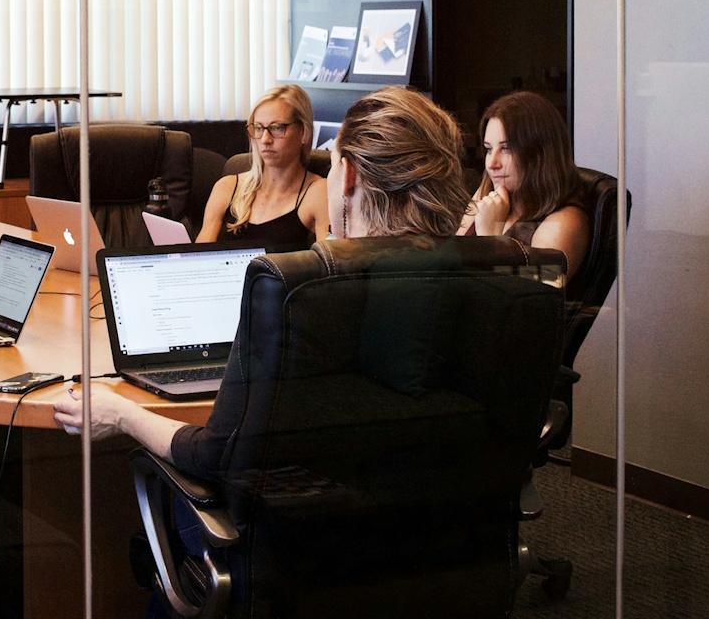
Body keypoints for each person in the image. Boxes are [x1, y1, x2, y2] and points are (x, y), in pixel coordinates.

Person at [54, 86, 471, 474]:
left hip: (298, 533)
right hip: (455, 533)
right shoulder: (496, 279)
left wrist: (121, 413)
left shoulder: (297, 299)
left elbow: (213, 453)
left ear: (346, 178)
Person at [457, 90, 589, 283]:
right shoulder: (488, 195)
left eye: (506, 148)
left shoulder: (565, 222)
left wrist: (490, 237)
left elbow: (530, 300)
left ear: (539, 152)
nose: (492, 163)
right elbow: (451, 267)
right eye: (488, 149)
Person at [196, 85, 328, 249]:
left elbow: (331, 267)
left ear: (303, 132)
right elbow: (197, 261)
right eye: (258, 128)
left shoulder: (319, 192)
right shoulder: (226, 187)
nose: (265, 139)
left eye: (276, 128)